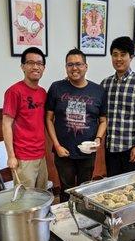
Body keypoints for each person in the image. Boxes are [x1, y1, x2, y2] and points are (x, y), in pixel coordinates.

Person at [46, 48, 107, 202]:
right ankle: (65, 222)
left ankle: (82, 220)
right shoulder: (56, 88)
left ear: (86, 66)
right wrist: (57, 145)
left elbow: (103, 120)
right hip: (63, 151)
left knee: (85, 190)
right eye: (70, 65)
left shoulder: (98, 91)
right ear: (66, 67)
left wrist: (98, 139)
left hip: (88, 151)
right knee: (66, 190)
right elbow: (48, 119)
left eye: (78, 64)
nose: (74, 68)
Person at [101, 36, 135, 177]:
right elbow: (101, 115)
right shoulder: (105, 84)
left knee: (132, 189)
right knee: (112, 187)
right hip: (111, 148)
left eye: (123, 54)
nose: (118, 59)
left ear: (131, 57)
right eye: (115, 55)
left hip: (131, 149)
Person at [2, 46, 48, 189]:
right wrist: (11, 156)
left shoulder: (42, 92)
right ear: (22, 66)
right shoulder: (14, 92)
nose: (35, 67)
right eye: (30, 63)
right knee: (26, 202)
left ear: (43, 68)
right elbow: (6, 124)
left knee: (41, 197)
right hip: (23, 157)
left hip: (41, 155)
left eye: (39, 63)